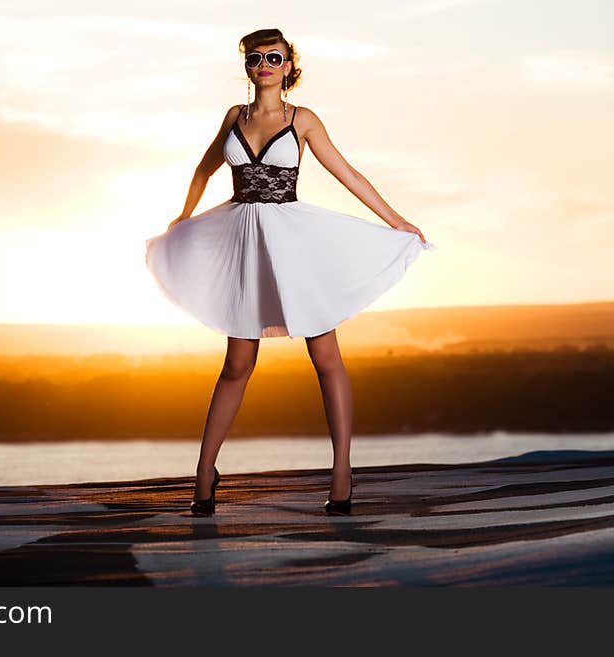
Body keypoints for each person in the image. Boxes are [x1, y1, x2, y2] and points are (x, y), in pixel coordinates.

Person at [144, 28, 437, 517]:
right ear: (248, 66)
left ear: (287, 66)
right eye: (255, 57)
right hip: (243, 242)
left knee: (324, 357)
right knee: (238, 363)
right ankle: (203, 475)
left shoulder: (303, 120)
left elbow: (349, 174)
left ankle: (342, 472)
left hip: (295, 245)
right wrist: (184, 216)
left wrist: (396, 221)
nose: (263, 64)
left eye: (273, 57)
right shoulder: (235, 118)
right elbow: (203, 169)